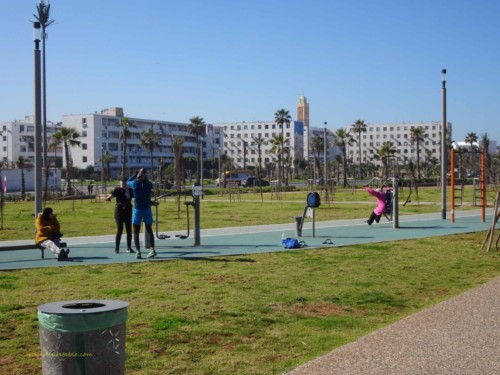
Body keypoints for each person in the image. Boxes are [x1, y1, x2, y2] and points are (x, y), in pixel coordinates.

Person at [127, 168, 158, 259]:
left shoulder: (135, 184)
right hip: (147, 210)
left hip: (137, 210)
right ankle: (152, 249)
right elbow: (146, 181)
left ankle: (138, 252)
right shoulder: (149, 184)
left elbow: (128, 181)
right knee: (149, 230)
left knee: (136, 232)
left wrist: (135, 173)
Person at [106, 178, 135, 254]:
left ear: (126, 183)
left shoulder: (130, 190)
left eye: (124, 183)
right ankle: (117, 248)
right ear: (120, 183)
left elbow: (136, 196)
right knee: (120, 230)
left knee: (129, 230)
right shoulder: (117, 189)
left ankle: (129, 248)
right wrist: (108, 198)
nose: (123, 184)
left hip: (128, 211)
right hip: (119, 212)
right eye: (122, 183)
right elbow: (112, 195)